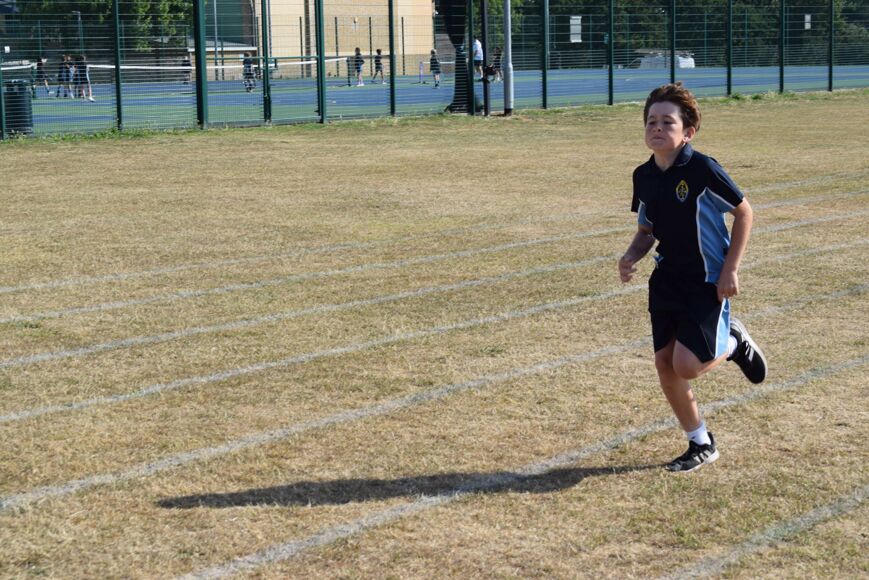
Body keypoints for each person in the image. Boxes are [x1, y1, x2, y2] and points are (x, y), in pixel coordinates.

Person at [618, 82, 767, 473]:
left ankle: (733, 342)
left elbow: (744, 213)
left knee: (686, 365)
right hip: (667, 280)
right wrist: (630, 256)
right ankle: (700, 442)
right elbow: (647, 230)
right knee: (664, 365)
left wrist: (730, 269)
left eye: (668, 121)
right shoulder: (643, 176)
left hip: (706, 280)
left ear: (688, 132)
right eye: (651, 121)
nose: (657, 127)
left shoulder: (702, 169)